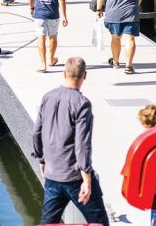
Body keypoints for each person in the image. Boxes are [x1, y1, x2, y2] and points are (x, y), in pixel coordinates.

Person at [32, 57, 109, 226]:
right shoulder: (82, 104)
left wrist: (41, 158)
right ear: (85, 75)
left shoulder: (48, 97)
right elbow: (82, 144)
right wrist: (87, 180)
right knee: (99, 222)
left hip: (52, 175)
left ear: (64, 73)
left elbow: (36, 132)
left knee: (47, 223)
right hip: (75, 177)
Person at [96, 0, 143, 74]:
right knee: (130, 38)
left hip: (113, 14)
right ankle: (128, 66)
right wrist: (134, 7)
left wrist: (99, 9)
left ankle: (116, 62)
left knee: (115, 38)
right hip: (131, 14)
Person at [28, 0, 68, 72]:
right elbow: (62, 0)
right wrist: (64, 16)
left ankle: (43, 64)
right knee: (53, 37)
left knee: (41, 38)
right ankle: (51, 59)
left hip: (39, 13)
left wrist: (32, 7)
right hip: (53, 14)